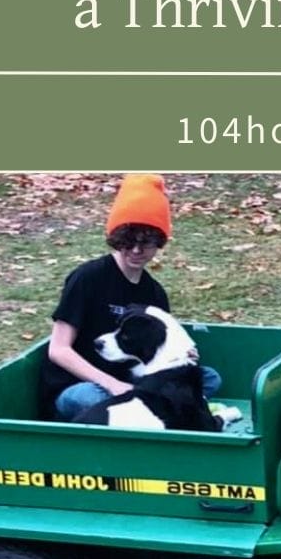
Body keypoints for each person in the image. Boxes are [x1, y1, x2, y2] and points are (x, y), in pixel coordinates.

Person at [39, 172, 220, 420]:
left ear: (159, 243)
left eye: (146, 244)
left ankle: (152, 412)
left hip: (134, 384)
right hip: (78, 385)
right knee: (93, 398)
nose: (136, 251)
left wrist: (183, 357)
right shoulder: (88, 277)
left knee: (207, 377)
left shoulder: (154, 293)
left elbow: (156, 353)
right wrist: (112, 384)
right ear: (116, 238)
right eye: (128, 241)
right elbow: (58, 350)